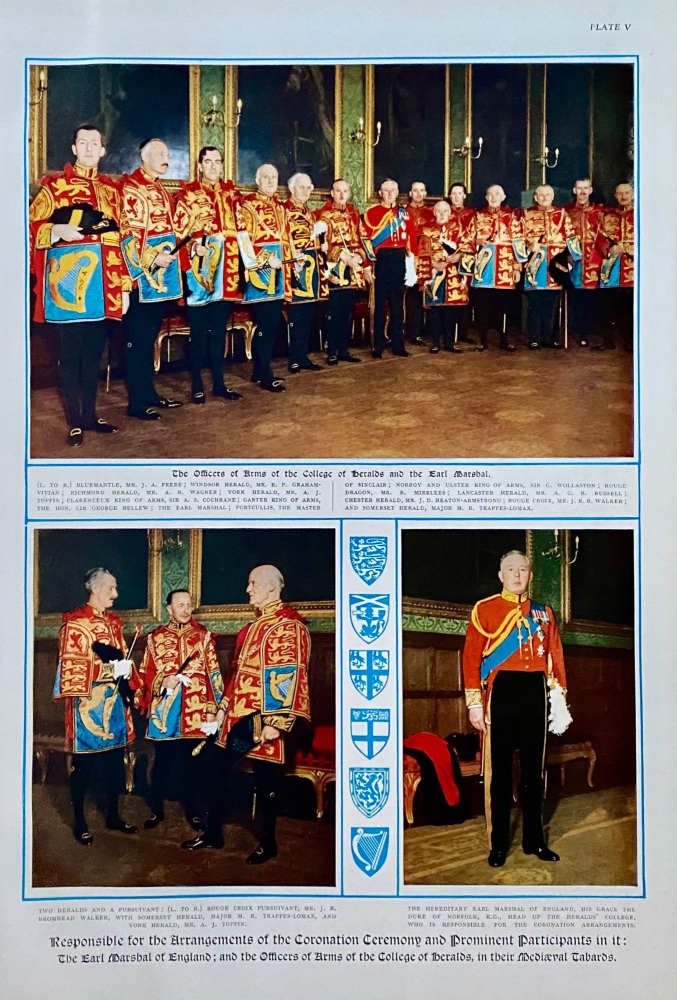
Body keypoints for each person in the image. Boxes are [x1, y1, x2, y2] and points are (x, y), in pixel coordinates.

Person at [182, 564, 311, 864]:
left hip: (262, 719)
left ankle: (269, 842)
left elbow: (292, 676)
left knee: (266, 779)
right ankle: (213, 833)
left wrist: (277, 723)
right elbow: (236, 675)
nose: (248, 590)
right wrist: (221, 711)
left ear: (271, 588)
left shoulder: (290, 627)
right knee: (214, 766)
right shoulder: (252, 628)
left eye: (253, 584)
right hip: (237, 718)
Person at [462, 551, 568, 868]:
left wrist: (559, 698)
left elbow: (556, 656)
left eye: (523, 569)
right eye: (511, 569)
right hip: (502, 692)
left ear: (530, 575)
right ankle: (498, 844)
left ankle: (534, 842)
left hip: (535, 692)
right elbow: (471, 659)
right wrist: (475, 704)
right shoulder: (485, 610)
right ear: (501, 575)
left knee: (534, 774)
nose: (517, 574)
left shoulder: (544, 613)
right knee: (500, 775)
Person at [29, 124, 129, 447]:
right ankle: (74, 420)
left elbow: (123, 241)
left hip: (103, 289)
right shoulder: (55, 188)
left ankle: (90, 414)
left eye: (94, 143)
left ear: (103, 150)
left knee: (93, 357)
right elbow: (29, 224)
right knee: (70, 358)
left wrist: (124, 286)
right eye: (82, 142)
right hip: (67, 291)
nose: (88, 148)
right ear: (73, 148)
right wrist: (56, 232)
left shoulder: (112, 193)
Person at [53, 567, 139, 845]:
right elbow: (72, 669)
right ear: (96, 589)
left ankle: (113, 816)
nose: (116, 594)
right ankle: (79, 821)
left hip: (114, 707)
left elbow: (120, 659)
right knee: (84, 766)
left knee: (114, 764)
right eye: (111, 588)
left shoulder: (114, 624)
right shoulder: (75, 624)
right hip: (86, 707)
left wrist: (127, 672)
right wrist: (110, 670)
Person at [136, 589, 224, 831]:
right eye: (180, 605)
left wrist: (212, 710)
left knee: (195, 766)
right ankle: (157, 809)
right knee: (162, 763)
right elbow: (146, 674)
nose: (186, 610)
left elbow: (213, 675)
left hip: (196, 712)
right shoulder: (155, 639)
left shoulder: (203, 636)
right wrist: (162, 682)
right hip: (166, 713)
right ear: (169, 609)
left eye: (189, 605)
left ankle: (194, 811)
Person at [173, 146, 244, 403]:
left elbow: (243, 232)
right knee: (199, 332)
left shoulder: (232, 197)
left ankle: (219, 384)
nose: (213, 166)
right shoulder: (188, 197)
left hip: (227, 274)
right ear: (199, 166)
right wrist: (193, 246)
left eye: (218, 161)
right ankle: (197, 384)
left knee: (219, 331)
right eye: (208, 161)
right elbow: (179, 234)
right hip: (200, 274)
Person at [120, 138, 184, 420]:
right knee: (137, 338)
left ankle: (149, 393)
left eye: (167, 154)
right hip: (139, 277)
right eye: (159, 153)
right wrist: (149, 258)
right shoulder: (130, 189)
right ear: (143, 157)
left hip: (162, 276)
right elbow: (126, 233)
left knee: (149, 338)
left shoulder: (162, 190)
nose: (165, 157)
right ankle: (136, 401)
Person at [237, 163, 291, 392]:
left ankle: (260, 369)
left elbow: (286, 238)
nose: (271, 181)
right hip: (259, 271)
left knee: (272, 323)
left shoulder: (280, 208)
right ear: (257, 180)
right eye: (266, 177)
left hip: (279, 271)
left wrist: (292, 264)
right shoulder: (248, 206)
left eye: (274, 177)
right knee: (265, 323)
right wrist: (264, 259)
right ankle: (265, 373)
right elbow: (244, 240)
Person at [315, 178, 375, 365]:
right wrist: (342, 255)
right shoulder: (324, 216)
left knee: (347, 311)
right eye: (338, 191)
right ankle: (332, 350)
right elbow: (323, 246)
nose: (342, 195)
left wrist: (359, 257)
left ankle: (343, 349)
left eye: (345, 191)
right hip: (335, 270)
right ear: (332, 193)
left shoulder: (354, 215)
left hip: (352, 269)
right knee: (334, 312)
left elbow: (362, 238)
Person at [362, 178, 417, 359]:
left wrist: (412, 264)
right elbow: (367, 243)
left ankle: (398, 345)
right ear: (380, 193)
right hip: (381, 260)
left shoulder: (404, 213)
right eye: (387, 190)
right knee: (378, 305)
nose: (390, 193)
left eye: (394, 189)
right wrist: (367, 267)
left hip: (399, 258)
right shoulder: (371, 213)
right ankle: (377, 346)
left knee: (398, 305)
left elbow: (411, 238)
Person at [522, 185, 581, 349]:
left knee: (553, 302)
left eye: (547, 194)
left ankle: (550, 338)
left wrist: (572, 258)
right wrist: (528, 245)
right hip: (535, 263)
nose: (544, 197)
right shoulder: (527, 214)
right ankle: (533, 338)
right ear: (535, 197)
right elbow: (520, 236)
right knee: (534, 303)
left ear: (552, 196)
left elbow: (571, 237)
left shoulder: (561, 214)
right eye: (541, 195)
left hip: (555, 262)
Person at [470, 184, 527, 351]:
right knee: (483, 305)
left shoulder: (512, 218)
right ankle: (483, 339)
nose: (493, 197)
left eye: (497, 194)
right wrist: (477, 242)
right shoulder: (478, 216)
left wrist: (517, 267)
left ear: (503, 197)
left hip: (505, 267)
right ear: (486, 197)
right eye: (490, 194)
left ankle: (504, 338)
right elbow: (466, 239)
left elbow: (519, 243)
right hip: (484, 268)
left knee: (504, 306)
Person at [283, 172, 327, 372]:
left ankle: (303, 357)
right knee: (296, 315)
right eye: (302, 187)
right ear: (292, 189)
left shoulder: (309, 213)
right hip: (297, 266)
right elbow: (287, 239)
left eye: (309, 187)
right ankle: (293, 357)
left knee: (308, 313)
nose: (306, 191)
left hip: (312, 268)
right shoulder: (284, 210)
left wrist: (321, 245)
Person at [417, 200, 474, 352]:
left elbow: (467, 246)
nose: (442, 214)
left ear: (450, 212)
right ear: (434, 212)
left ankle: (449, 343)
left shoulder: (459, 228)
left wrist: (458, 256)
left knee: (451, 310)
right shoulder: (425, 230)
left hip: (453, 274)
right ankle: (435, 342)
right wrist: (433, 264)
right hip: (433, 273)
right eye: (439, 211)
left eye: (445, 211)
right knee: (435, 309)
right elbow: (420, 251)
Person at [563, 177, 605, 348]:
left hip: (594, 259)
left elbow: (605, 235)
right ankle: (577, 331)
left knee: (592, 297)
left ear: (590, 190)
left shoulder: (599, 211)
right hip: (572, 260)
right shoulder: (565, 211)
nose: (582, 192)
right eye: (579, 188)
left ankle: (590, 331)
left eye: (585, 188)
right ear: (574, 190)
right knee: (575, 296)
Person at [597, 182, 634, 351]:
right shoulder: (608, 216)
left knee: (630, 307)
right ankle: (608, 341)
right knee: (608, 307)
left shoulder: (642, 215)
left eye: (627, 192)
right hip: (611, 268)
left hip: (632, 268)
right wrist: (609, 248)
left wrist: (626, 248)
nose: (624, 196)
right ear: (615, 196)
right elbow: (599, 239)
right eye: (620, 193)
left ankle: (630, 342)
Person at [448, 182, 478, 343]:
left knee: (465, 294)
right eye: (453, 193)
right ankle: (448, 332)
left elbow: (474, 236)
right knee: (449, 293)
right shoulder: (444, 212)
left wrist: (463, 252)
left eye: (460, 193)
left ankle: (463, 332)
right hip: (448, 257)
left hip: (466, 258)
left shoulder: (472, 214)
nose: (456, 196)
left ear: (464, 195)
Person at [405, 181, 434, 344]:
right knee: (411, 296)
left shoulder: (431, 212)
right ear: (410, 193)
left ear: (425, 193)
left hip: (428, 258)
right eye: (415, 190)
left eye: (421, 190)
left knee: (427, 292)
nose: (418, 194)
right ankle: (411, 332)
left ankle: (428, 331)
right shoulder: (403, 212)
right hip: (409, 257)